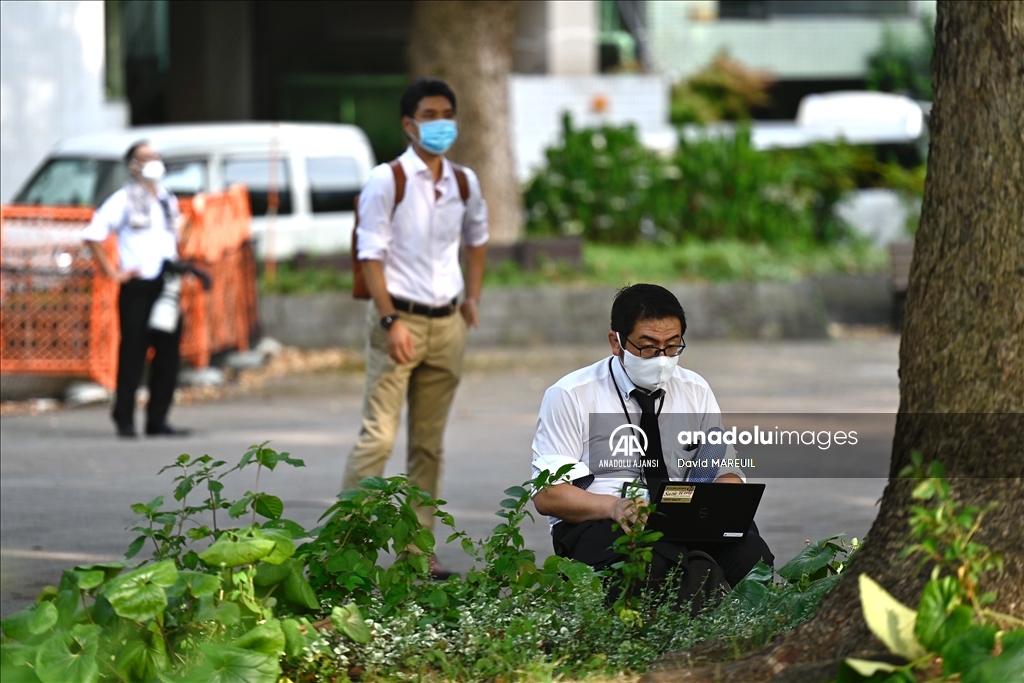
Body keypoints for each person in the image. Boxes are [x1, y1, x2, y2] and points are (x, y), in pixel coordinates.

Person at [531, 283, 773, 594]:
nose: (661, 358)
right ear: (616, 342)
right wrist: (614, 507)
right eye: (647, 347)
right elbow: (548, 494)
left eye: (672, 346)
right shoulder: (571, 395)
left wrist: (718, 504)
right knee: (659, 563)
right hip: (601, 522)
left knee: (752, 555)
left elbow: (723, 468)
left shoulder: (695, 390)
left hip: (682, 516)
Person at [342, 78, 489, 576]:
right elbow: (370, 254)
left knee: (429, 446)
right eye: (430, 115)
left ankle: (417, 553)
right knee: (377, 439)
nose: (440, 123)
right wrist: (390, 320)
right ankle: (345, 552)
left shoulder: (464, 182)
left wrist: (472, 298)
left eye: (447, 113)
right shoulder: (387, 181)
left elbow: (477, 239)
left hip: (447, 323)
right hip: (397, 321)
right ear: (409, 124)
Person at [83, 140, 188, 439]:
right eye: (147, 157)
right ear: (133, 166)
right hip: (138, 286)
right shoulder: (122, 199)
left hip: (167, 285)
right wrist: (114, 272)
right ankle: (125, 418)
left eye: (157, 155)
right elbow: (93, 234)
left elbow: (173, 238)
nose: (155, 161)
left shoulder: (167, 198)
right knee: (133, 352)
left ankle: (158, 419)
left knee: (168, 353)